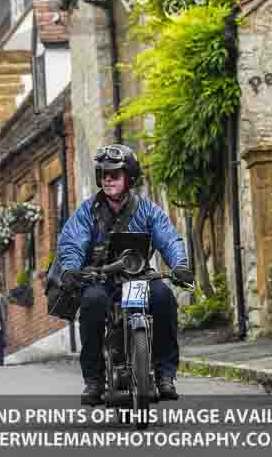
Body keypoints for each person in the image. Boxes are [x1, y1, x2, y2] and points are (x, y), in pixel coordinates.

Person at [58, 144, 193, 406]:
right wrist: (72, 268)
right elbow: (73, 240)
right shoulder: (88, 211)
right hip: (100, 280)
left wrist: (179, 265)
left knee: (164, 297)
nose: (108, 179)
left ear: (129, 178)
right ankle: (94, 380)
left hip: (138, 279)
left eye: (115, 175)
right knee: (92, 303)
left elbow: (169, 238)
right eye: (104, 175)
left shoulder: (147, 210)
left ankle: (166, 375)